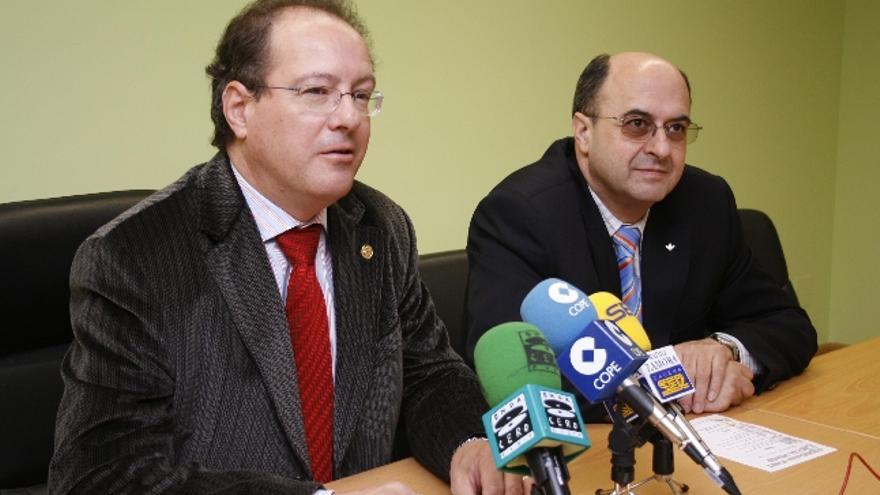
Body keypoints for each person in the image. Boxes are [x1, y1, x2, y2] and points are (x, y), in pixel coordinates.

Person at [48, 1, 523, 493]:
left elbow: (429, 375)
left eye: (360, 95)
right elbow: (101, 475)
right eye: (317, 91)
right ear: (239, 109)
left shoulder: (380, 228)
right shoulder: (133, 257)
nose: (349, 118)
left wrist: (469, 441)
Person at [465, 52, 817, 416]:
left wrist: (723, 352)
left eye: (676, 128)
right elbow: (514, 377)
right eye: (637, 124)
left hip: (697, 439)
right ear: (584, 132)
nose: (662, 149)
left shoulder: (705, 202)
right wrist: (672, 377)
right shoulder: (519, 214)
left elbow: (788, 325)